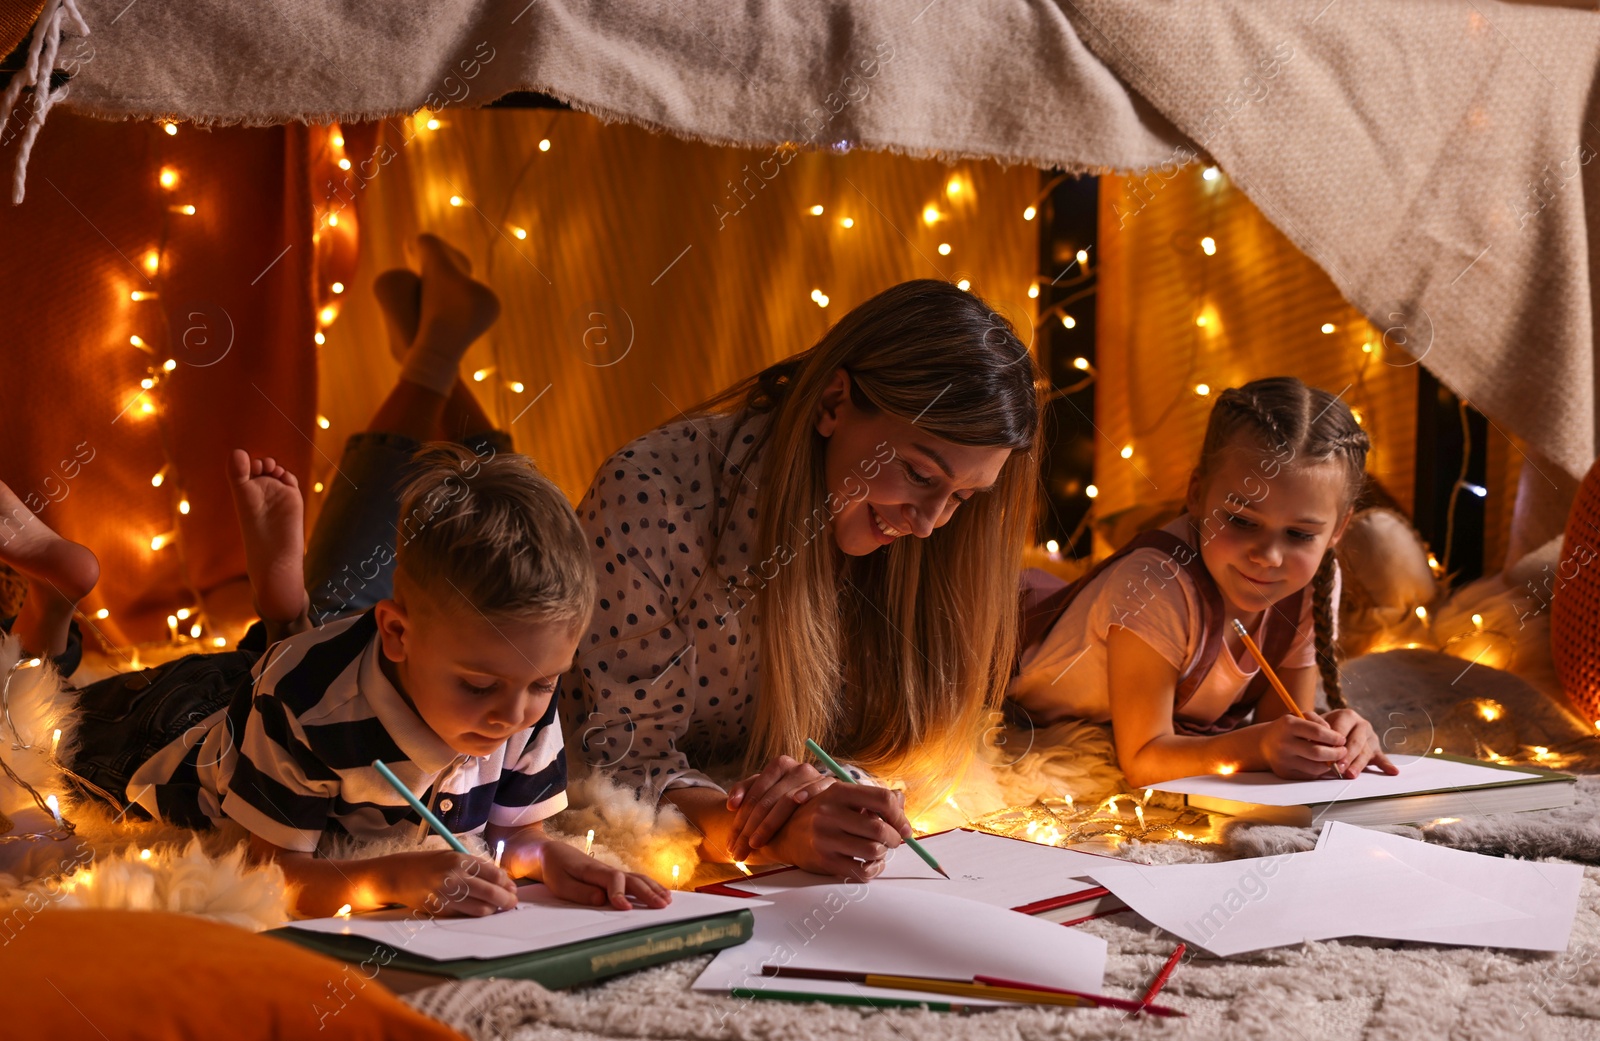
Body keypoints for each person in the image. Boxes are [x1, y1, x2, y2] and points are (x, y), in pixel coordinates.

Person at [36, 235, 668, 918]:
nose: (513, 714)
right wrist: (390, 879)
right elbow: (269, 874)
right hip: (173, 733)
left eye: (540, 685)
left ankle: (286, 605)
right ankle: (51, 610)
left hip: (304, 669)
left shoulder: (521, 687)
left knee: (292, 654)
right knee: (45, 726)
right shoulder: (309, 708)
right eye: (480, 685)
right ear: (394, 631)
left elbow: (518, 835)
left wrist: (557, 857)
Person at [565, 278, 1041, 879]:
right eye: (919, 474)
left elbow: (910, 747)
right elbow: (616, 767)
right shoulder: (652, 495)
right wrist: (771, 830)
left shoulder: (924, 541)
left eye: (962, 497)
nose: (928, 526)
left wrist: (841, 797)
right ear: (833, 404)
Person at [1007, 376, 1398, 786]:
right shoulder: (1154, 584)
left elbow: (1279, 722)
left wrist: (1330, 740)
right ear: (1197, 493)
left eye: (1300, 535)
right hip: (1004, 647)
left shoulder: (1315, 579)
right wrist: (1256, 747)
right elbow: (1143, 760)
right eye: (1242, 521)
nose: (1268, 556)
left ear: (1339, 528)